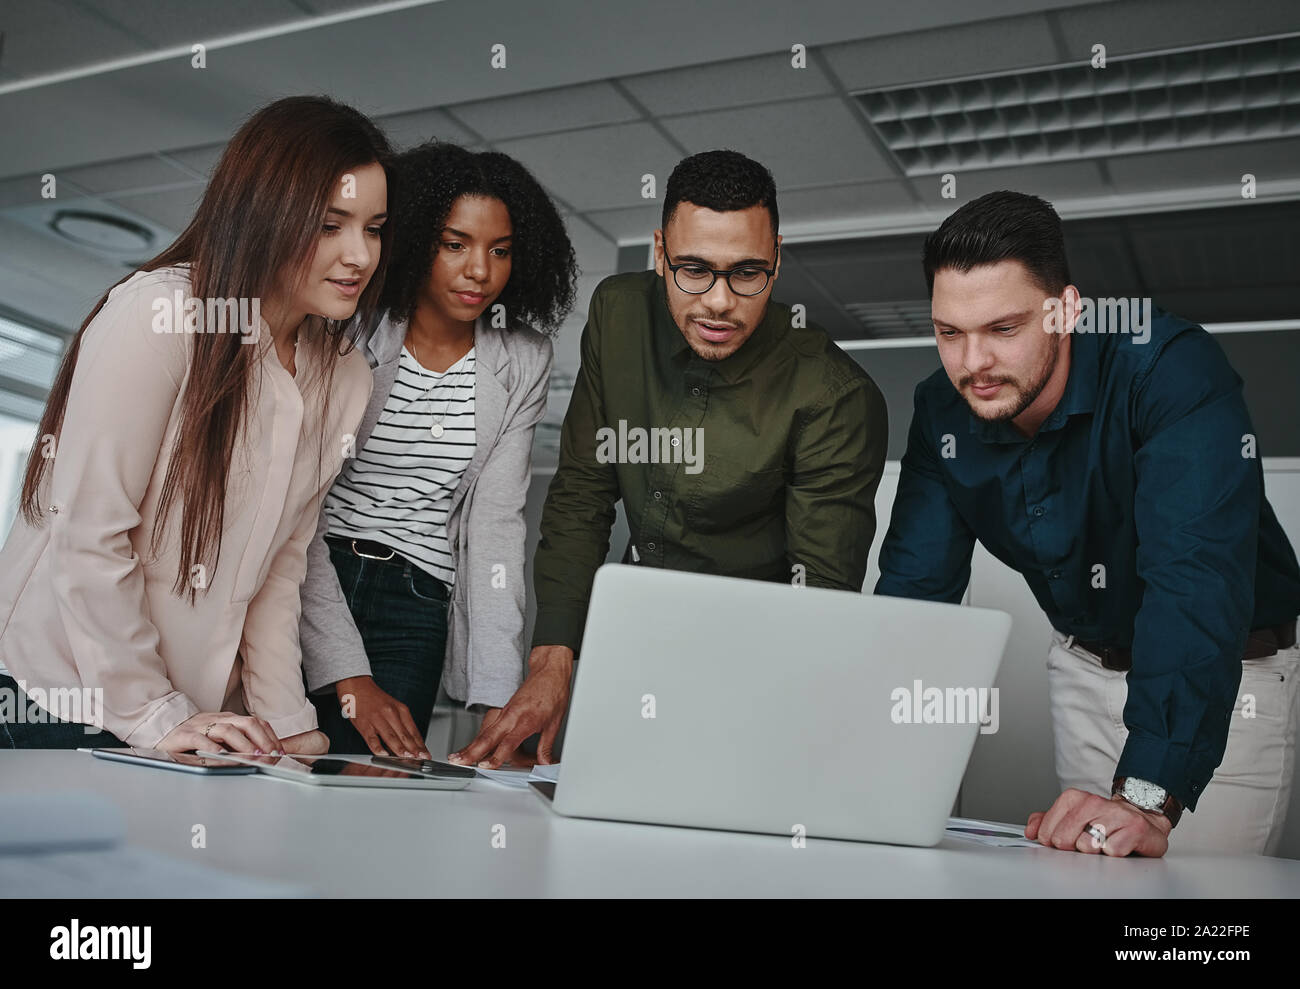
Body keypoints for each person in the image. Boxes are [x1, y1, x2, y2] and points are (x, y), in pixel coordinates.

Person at [875, 190, 1300, 856]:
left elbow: (1193, 582)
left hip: (1226, 683)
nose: (973, 362)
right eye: (949, 333)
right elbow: (914, 591)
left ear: (1065, 309)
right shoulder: (942, 409)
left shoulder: (1169, 369)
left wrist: (1149, 794)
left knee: (1196, 929)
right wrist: (864, 749)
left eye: (1002, 329)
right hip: (1080, 670)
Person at [449, 149, 889, 770]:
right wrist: (553, 659)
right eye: (693, 269)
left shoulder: (834, 396)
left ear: (778, 260)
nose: (719, 302)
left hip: (761, 660)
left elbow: (820, 597)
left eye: (747, 273)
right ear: (659, 252)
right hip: (629, 637)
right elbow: (582, 491)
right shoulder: (618, 314)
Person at [0, 96, 391, 754]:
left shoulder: (345, 375)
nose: (359, 255)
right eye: (330, 225)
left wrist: (289, 725)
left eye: (374, 228)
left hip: (187, 715)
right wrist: (153, 712)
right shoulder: (161, 315)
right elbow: (89, 535)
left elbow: (279, 569)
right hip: (52, 693)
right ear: (267, 211)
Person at [300, 142, 574, 758]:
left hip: (418, 600)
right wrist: (347, 672)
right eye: (455, 244)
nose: (480, 270)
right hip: (314, 576)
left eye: (499, 251)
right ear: (417, 239)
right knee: (282, 763)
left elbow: (497, 524)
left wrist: (499, 699)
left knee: (377, 792)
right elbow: (296, 505)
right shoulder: (349, 324)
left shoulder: (522, 358)